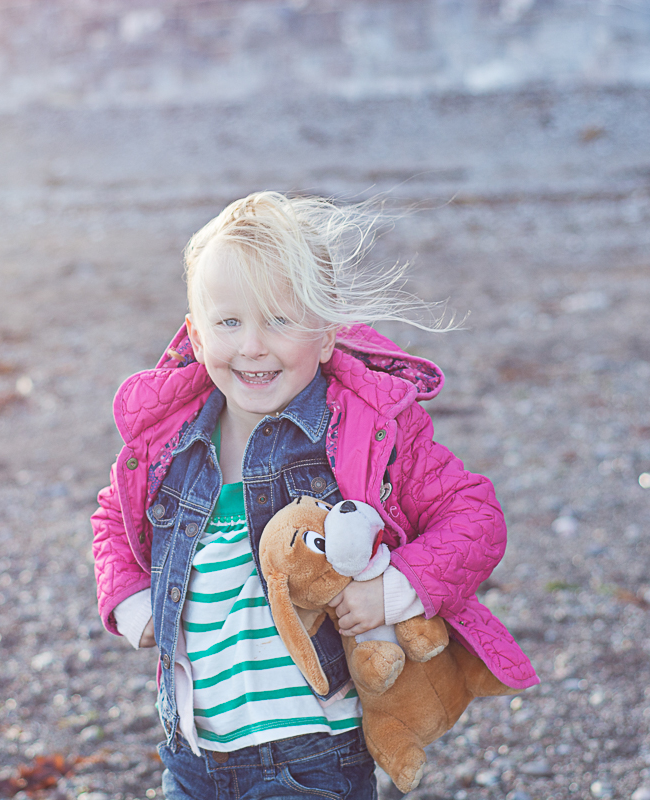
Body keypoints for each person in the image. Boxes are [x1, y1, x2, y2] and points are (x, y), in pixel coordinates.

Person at [91, 192, 537, 799]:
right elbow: (114, 515)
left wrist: (393, 590)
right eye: (229, 322)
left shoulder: (360, 429)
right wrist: (130, 601)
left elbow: (473, 515)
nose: (252, 345)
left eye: (280, 319)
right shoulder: (171, 442)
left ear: (326, 335)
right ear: (195, 336)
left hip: (312, 756)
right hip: (192, 752)